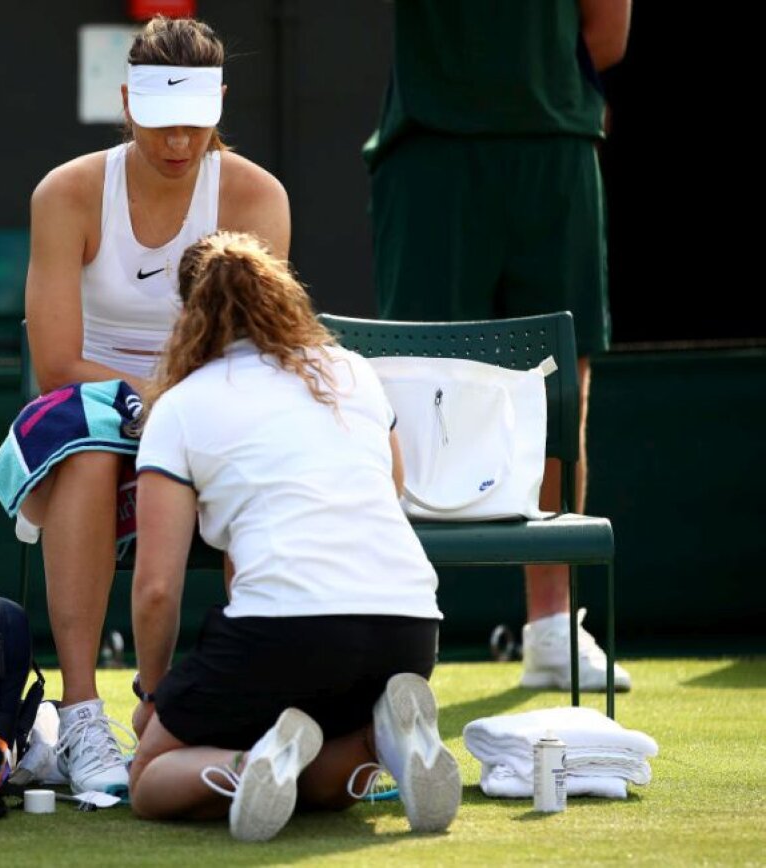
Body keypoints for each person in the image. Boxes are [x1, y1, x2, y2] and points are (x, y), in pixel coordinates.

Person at [12, 15, 290, 797]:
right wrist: (162, 403)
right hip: (91, 409)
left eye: (196, 123)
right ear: (128, 104)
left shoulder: (254, 195)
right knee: (91, 445)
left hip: (211, 407)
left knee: (262, 460)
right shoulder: (66, 193)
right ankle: (79, 718)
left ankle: (256, 703)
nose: (178, 142)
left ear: (219, 105)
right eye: (162, 122)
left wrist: (182, 409)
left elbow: (257, 351)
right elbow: (57, 364)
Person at [126, 231, 460, 841]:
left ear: (188, 315)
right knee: (325, 784)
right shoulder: (353, 372)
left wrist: (154, 694)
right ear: (284, 297)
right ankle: (380, 741)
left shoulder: (178, 407)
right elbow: (391, 490)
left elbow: (154, 588)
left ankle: (253, 763)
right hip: (409, 634)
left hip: (283, 634)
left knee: (149, 778)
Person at [365, 0, 633, 693]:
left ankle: (552, 629)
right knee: (409, 391)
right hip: (429, 148)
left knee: (557, 388)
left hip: (552, 147)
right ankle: (389, 621)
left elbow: (608, 32)